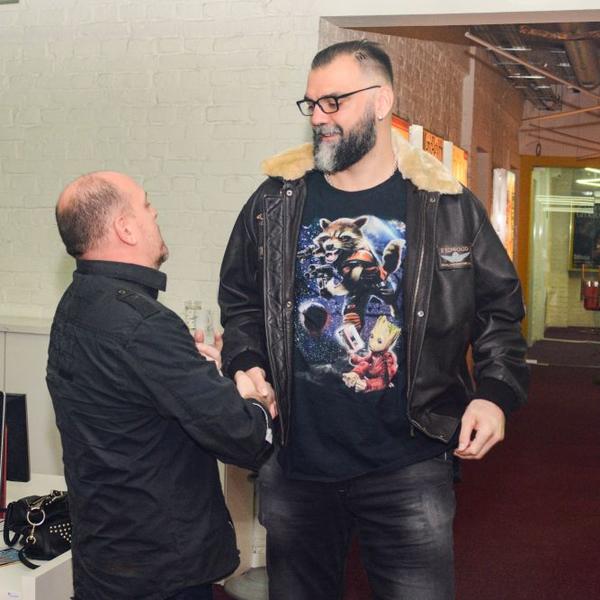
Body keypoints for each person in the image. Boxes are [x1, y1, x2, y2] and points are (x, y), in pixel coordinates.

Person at [218, 40, 529, 600]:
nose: (320, 117)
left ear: (381, 101)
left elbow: (499, 310)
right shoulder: (275, 202)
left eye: (334, 102)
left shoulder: (447, 205)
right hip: (297, 461)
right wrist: (246, 359)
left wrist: (495, 394)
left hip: (410, 461)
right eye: (312, 104)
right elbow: (240, 297)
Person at [47, 171, 275, 600]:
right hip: (160, 570)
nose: (154, 215)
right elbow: (242, 435)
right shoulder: (143, 326)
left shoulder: (76, 304)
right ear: (126, 229)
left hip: (106, 558)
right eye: (147, 205)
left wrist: (193, 372)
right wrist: (253, 398)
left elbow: (133, 405)